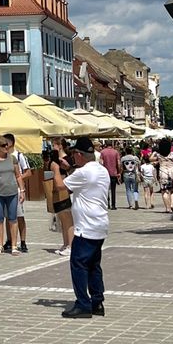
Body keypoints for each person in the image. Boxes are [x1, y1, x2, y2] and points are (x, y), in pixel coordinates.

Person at [51, 136, 110, 319]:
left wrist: (55, 170)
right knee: (93, 264)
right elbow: (81, 184)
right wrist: (70, 169)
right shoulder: (101, 170)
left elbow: (61, 187)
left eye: (74, 153)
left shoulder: (83, 173)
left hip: (86, 226)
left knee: (78, 264)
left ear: (79, 155)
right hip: (100, 224)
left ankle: (83, 304)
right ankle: (97, 301)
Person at [0, 135, 25, 256]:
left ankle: (14, 245)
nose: (6, 147)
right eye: (3, 145)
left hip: (12, 192)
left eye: (6, 145)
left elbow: (18, 175)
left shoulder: (12, 159)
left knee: (13, 219)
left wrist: (22, 190)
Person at [2, 133, 30, 253]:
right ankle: (9, 240)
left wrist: (18, 178)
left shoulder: (19, 156)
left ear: (10, 143)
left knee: (19, 216)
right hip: (5, 190)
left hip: (17, 190)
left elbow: (28, 172)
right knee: (7, 216)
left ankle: (23, 241)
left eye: (4, 143)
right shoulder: (2, 156)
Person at [50, 139, 75, 256]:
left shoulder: (67, 159)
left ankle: (71, 244)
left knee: (67, 219)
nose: (52, 146)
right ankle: (65, 244)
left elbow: (70, 172)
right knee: (62, 218)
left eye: (53, 144)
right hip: (56, 190)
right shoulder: (54, 160)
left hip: (65, 190)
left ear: (60, 146)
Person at [153, 139, 173, 213]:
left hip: (163, 173)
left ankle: (167, 208)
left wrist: (154, 153)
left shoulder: (159, 155)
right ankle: (171, 205)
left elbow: (150, 159)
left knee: (164, 191)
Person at [100, 141, 121, 210]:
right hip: (113, 173)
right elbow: (118, 163)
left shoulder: (102, 152)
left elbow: (101, 162)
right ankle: (113, 205)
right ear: (112, 144)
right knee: (113, 189)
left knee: (106, 190)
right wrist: (119, 172)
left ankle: (107, 204)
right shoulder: (115, 152)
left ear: (105, 144)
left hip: (105, 174)